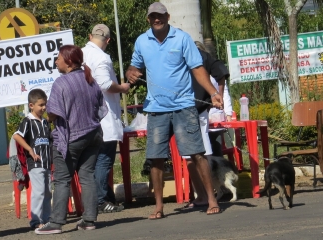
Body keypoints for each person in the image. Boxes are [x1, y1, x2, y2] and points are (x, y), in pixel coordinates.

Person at [125, 2, 223, 218]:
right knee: (155, 157)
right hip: (156, 108)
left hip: (183, 106)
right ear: (148, 19)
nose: (156, 19)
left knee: (197, 153)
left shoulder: (182, 38)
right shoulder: (142, 41)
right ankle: (159, 207)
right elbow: (135, 66)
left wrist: (213, 93)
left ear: (168, 16)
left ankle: (211, 199)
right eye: (153, 17)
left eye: (160, 16)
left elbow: (197, 69)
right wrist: (130, 72)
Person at [35, 45, 108, 234]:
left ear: (68, 61)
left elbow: (53, 113)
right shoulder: (89, 79)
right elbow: (101, 107)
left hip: (70, 138)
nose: (56, 61)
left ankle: (57, 222)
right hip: (93, 134)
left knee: (61, 180)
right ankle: (89, 220)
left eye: (58, 58)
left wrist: (48, 118)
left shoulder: (61, 83)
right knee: (87, 176)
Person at [82, 24, 130, 213]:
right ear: (109, 40)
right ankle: (101, 200)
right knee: (103, 160)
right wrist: (122, 88)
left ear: (89, 35)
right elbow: (104, 84)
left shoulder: (80, 53)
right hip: (104, 116)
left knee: (94, 161)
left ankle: (105, 196)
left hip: (87, 116)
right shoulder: (101, 58)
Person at [183, 42, 231, 208]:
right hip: (181, 111)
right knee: (189, 158)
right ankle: (202, 195)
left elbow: (220, 71)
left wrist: (218, 94)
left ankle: (210, 196)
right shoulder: (173, 56)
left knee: (202, 155)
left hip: (197, 110)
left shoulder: (198, 56)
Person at [12, 89, 52, 230]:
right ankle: (35, 220)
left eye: (45, 104)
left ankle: (47, 219)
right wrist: (29, 150)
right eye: (41, 105)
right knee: (39, 191)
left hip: (46, 162)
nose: (44, 107)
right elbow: (17, 136)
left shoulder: (45, 122)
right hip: (35, 163)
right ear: (31, 105)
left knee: (47, 191)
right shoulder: (28, 121)